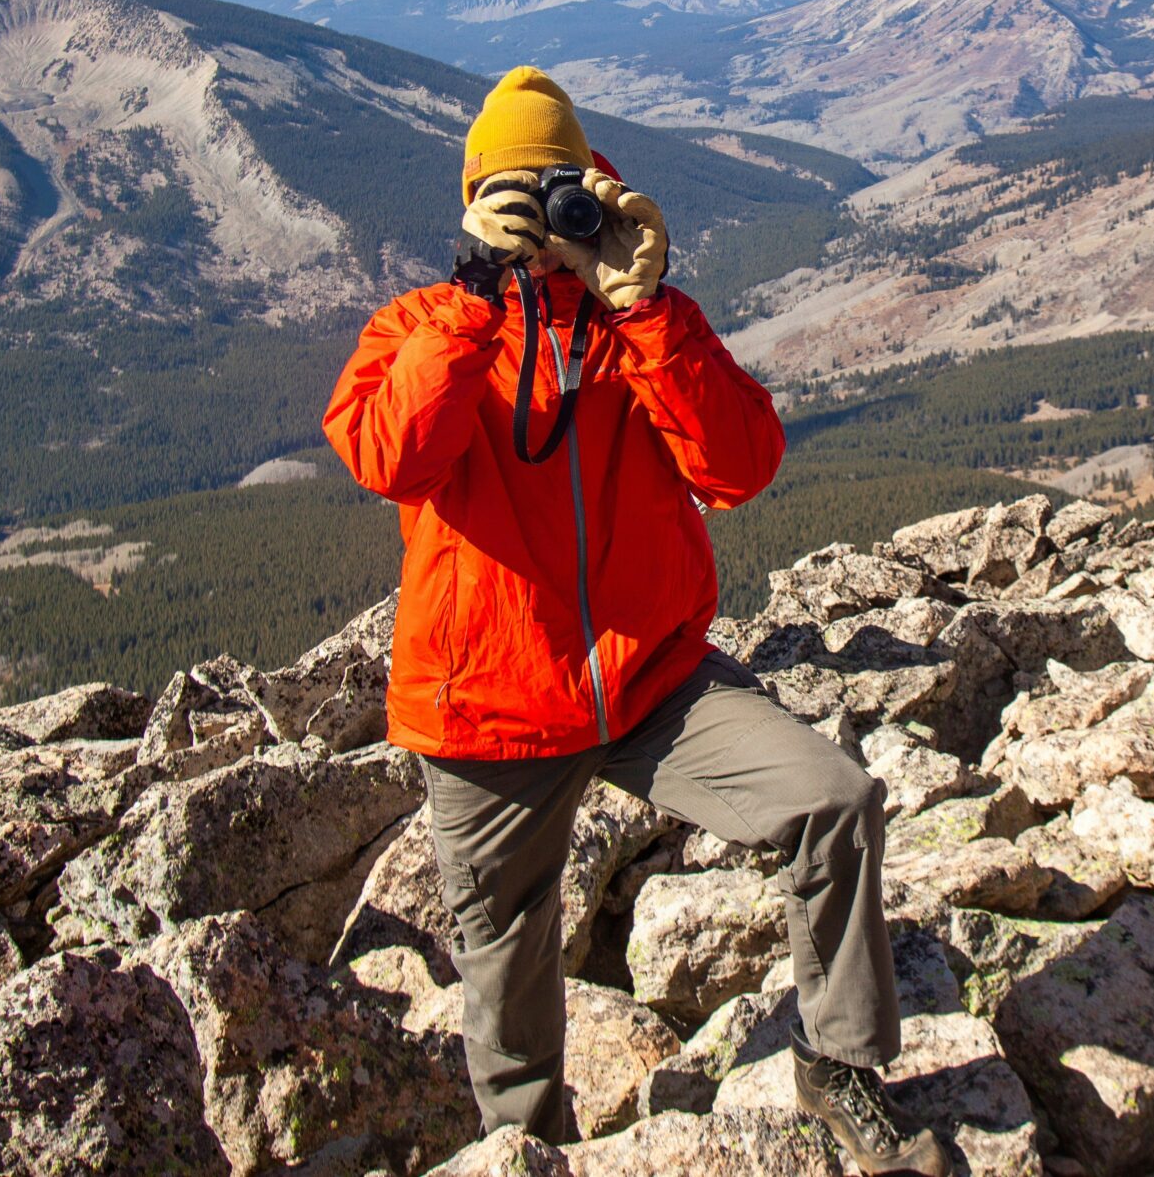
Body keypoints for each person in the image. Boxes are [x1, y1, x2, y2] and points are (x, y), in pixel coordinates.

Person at [323, 66, 947, 1175]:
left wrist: (647, 311)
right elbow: (390, 456)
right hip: (487, 709)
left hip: (652, 679)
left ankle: (840, 1068)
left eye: (560, 186)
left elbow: (741, 467)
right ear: (473, 202)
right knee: (505, 967)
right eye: (515, 191)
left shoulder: (640, 321)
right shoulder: (421, 325)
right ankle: (525, 1151)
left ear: (598, 186)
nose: (543, 212)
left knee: (834, 801)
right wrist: (477, 295)